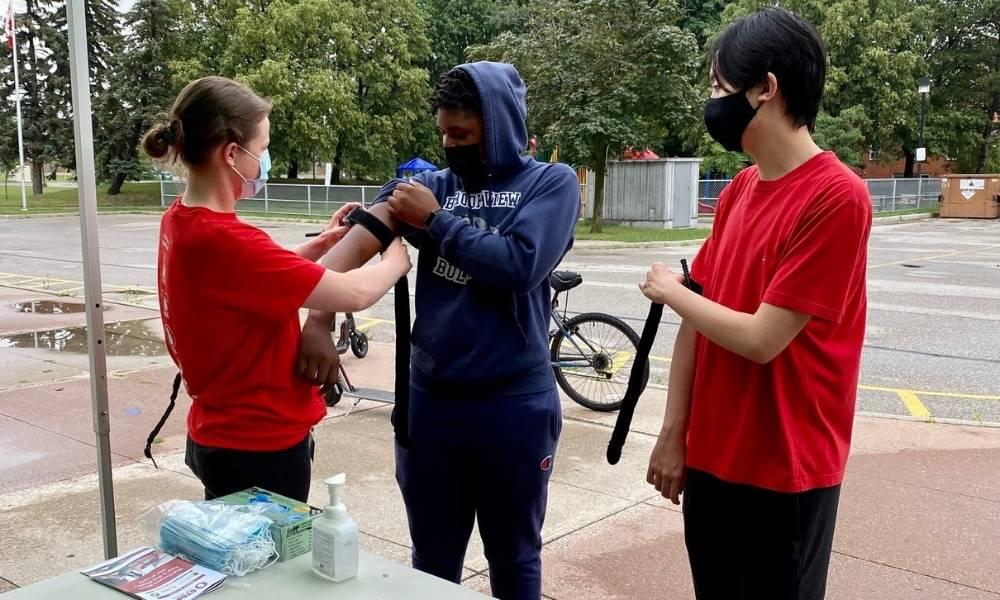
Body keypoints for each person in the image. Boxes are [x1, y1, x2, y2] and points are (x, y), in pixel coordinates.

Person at [297, 62, 579, 599]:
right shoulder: (428, 187)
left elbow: (520, 266)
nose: (450, 145)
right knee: (430, 558)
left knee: (515, 556)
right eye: (444, 134)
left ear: (500, 128)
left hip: (513, 405)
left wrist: (437, 223)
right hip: (432, 404)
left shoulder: (551, 184)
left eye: (463, 135)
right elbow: (351, 251)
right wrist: (318, 318)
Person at [639, 8, 872, 599]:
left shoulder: (837, 197)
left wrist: (669, 292)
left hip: (784, 472)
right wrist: (674, 433)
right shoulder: (742, 187)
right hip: (714, 459)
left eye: (719, 87)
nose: (711, 101)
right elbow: (701, 314)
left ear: (765, 88)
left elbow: (762, 339)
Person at [144, 76, 411, 503]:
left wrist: (322, 243)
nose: (265, 159)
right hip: (259, 446)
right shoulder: (226, 241)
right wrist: (395, 255)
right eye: (263, 148)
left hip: (219, 433)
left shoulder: (182, 219)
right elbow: (353, 293)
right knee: (268, 567)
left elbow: (251, 279)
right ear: (232, 153)